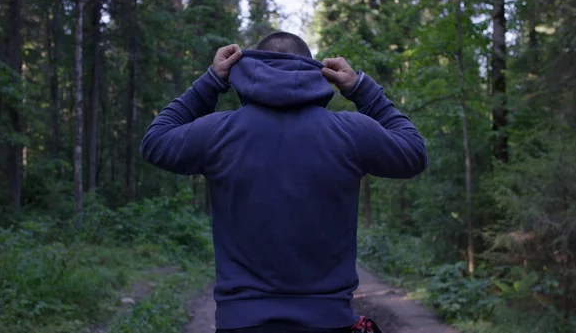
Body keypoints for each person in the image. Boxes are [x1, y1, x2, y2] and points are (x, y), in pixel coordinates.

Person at [139, 31, 428, 333]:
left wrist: (211, 81)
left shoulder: (219, 132)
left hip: (242, 323)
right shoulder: (350, 132)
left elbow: (155, 141)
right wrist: (360, 88)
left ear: (249, 70)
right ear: (314, 72)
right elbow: (414, 153)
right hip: (328, 323)